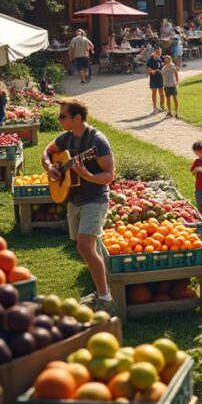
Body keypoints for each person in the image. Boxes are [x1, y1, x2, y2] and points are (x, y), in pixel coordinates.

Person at [42, 98, 117, 313]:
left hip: (95, 198)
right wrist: (49, 167)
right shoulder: (66, 138)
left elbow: (109, 176)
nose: (59, 119)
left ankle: (106, 299)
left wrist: (87, 175)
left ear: (77, 118)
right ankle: (104, 286)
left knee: (85, 246)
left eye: (62, 116)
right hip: (74, 199)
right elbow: (47, 151)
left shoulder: (97, 141)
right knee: (86, 246)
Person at [146, 47, 165, 114]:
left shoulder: (159, 60)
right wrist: (153, 71)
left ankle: (162, 106)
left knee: (161, 92)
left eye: (160, 53)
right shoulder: (150, 60)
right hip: (153, 79)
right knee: (154, 93)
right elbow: (149, 71)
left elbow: (161, 69)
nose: (160, 55)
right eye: (159, 53)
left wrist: (160, 71)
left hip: (160, 78)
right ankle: (154, 108)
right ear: (155, 53)